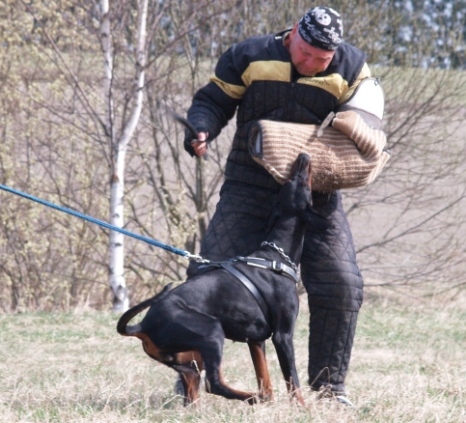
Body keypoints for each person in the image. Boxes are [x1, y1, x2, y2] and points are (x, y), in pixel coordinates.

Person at [183, 6, 371, 404]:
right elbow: (214, 101)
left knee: (341, 282)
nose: (310, 65)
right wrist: (202, 128)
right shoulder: (250, 55)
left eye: (321, 61)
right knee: (205, 276)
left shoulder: (351, 66)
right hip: (248, 185)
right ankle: (190, 382)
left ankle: (328, 389)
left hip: (313, 192)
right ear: (294, 36)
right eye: (305, 54)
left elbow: (367, 119)